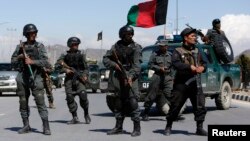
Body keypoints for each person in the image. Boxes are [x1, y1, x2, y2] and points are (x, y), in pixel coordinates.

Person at [164, 28, 208, 136]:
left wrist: (203, 67)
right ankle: (168, 126)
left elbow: (205, 63)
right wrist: (189, 67)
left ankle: (199, 128)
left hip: (195, 83)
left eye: (195, 36)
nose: (195, 38)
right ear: (185, 38)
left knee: (200, 106)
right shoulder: (178, 51)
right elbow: (176, 63)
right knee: (175, 106)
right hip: (182, 84)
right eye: (192, 36)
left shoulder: (198, 50)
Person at [11, 23, 51, 135]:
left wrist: (32, 62)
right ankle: (26, 125)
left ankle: (46, 126)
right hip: (23, 77)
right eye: (31, 33)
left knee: (40, 102)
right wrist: (20, 57)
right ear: (26, 34)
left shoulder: (40, 47)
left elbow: (46, 62)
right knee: (23, 102)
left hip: (36, 76)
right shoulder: (20, 47)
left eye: (35, 33)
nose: (33, 35)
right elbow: (13, 61)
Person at [103, 25, 142, 137]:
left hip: (131, 77)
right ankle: (118, 127)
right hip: (118, 76)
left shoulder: (136, 47)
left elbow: (137, 66)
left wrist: (130, 77)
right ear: (122, 35)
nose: (129, 36)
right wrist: (114, 65)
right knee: (118, 102)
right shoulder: (116, 46)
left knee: (133, 101)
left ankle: (137, 128)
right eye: (127, 34)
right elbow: (105, 59)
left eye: (131, 34)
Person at [55, 37, 91, 124]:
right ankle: (74, 117)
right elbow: (57, 66)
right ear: (70, 45)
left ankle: (86, 113)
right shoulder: (64, 55)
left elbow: (86, 68)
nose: (76, 46)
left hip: (79, 78)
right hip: (69, 80)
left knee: (83, 95)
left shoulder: (81, 54)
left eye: (77, 44)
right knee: (70, 97)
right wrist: (65, 70)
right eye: (74, 44)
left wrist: (85, 75)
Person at [141, 40, 174, 121]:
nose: (161, 47)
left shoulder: (170, 55)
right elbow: (150, 65)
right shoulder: (155, 54)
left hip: (167, 77)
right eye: (160, 46)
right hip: (157, 76)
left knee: (171, 94)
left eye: (163, 46)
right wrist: (159, 68)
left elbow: (173, 67)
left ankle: (172, 114)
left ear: (167, 46)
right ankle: (145, 113)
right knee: (151, 95)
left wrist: (172, 77)